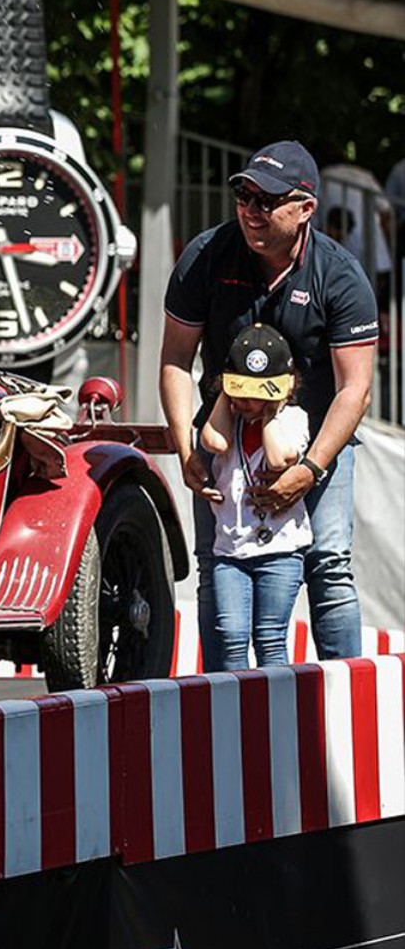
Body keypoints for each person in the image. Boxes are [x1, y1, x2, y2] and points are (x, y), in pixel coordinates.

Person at [160, 141, 378, 662]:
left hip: (318, 436)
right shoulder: (205, 257)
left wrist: (311, 468)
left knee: (328, 561)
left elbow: (356, 390)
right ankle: (215, 701)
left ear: (305, 209)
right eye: (244, 195)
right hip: (223, 437)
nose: (250, 210)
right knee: (216, 567)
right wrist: (186, 448)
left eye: (267, 200)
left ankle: (344, 693)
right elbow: (174, 362)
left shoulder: (341, 275)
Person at [196, 324, 312, 669]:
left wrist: (271, 410)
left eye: (256, 394)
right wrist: (225, 394)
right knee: (231, 638)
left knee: (270, 639)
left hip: (280, 552)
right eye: (240, 392)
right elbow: (213, 443)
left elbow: (279, 458)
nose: (247, 403)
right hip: (230, 552)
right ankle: (237, 719)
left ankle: (277, 720)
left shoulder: (293, 418)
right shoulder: (227, 422)